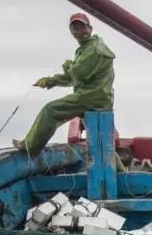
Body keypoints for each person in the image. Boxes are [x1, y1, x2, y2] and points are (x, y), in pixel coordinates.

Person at [14, 13, 115, 157]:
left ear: (90, 28)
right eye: (75, 28)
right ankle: (121, 171)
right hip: (99, 98)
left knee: (51, 110)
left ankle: (30, 147)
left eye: (82, 27)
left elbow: (79, 73)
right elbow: (76, 76)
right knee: (100, 142)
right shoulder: (88, 47)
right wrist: (51, 81)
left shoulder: (93, 49)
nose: (78, 31)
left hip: (91, 97)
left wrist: (68, 65)